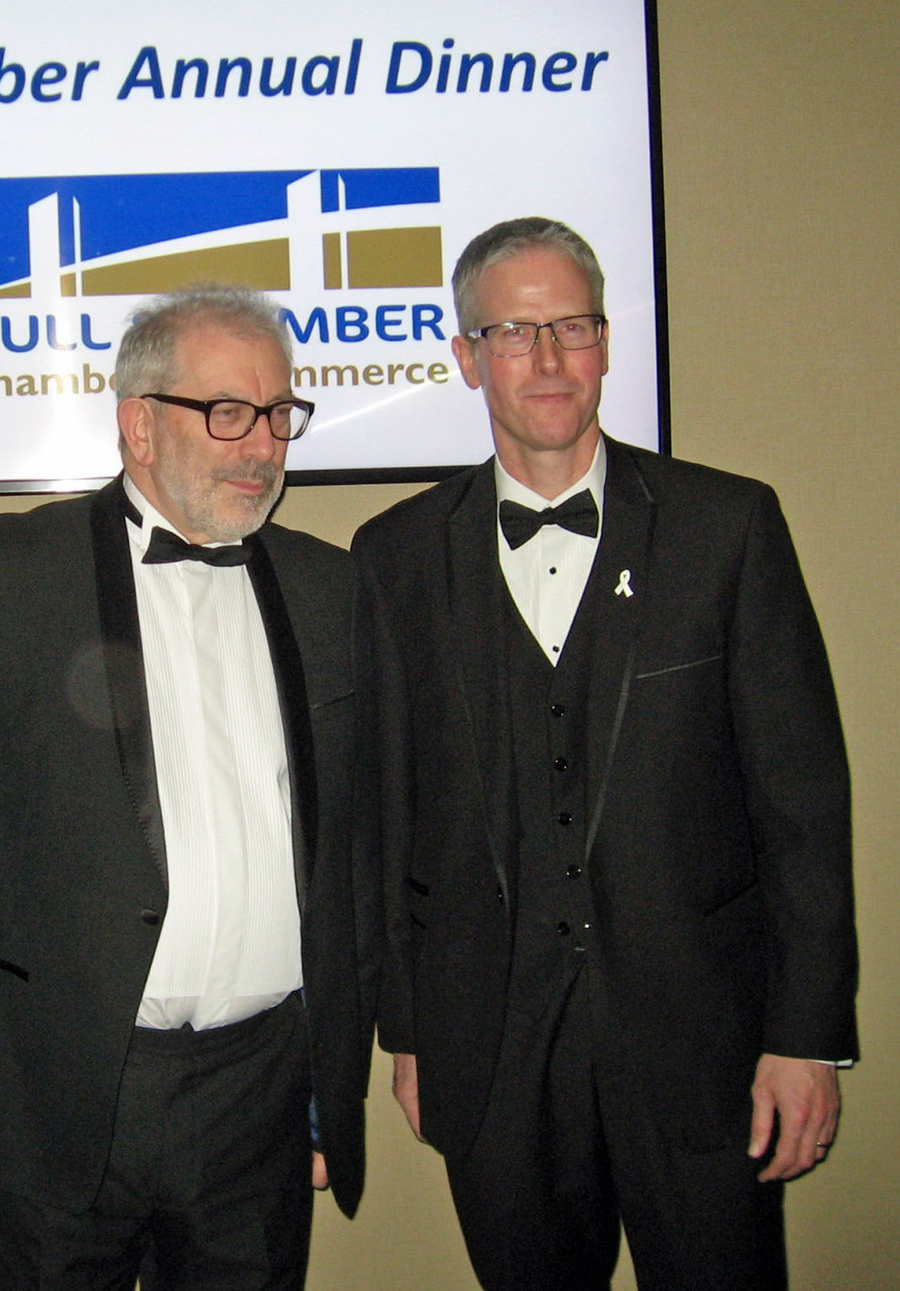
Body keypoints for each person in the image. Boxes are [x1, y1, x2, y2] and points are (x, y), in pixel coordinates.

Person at [352, 217, 858, 1290]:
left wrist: (807, 1036)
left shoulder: (728, 526)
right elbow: (391, 815)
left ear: (607, 343)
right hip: (488, 1049)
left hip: (706, 1047)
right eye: (515, 331)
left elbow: (803, 804)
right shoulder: (393, 556)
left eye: (571, 327)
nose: (547, 359)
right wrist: (410, 1029)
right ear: (465, 357)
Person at [0, 284, 373, 1288]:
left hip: (261, 1096)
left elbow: (354, 856)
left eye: (280, 415)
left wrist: (330, 1087)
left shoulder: (331, 592)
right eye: (230, 413)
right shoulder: (0, 577)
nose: (263, 447)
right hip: (50, 1096)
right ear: (138, 424)